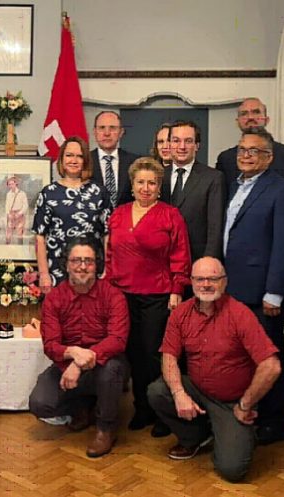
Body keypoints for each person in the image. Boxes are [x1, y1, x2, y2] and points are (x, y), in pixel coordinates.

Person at [148, 257, 281, 482]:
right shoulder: (181, 313)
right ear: (191, 282)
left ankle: (231, 432)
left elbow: (272, 366)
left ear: (224, 282)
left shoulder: (240, 314)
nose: (206, 284)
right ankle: (195, 437)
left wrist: (245, 404)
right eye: (200, 279)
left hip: (232, 402)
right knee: (157, 391)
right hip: (197, 390)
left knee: (232, 470)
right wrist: (180, 394)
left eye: (213, 279)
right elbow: (169, 356)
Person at [105, 157, 191, 437]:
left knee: (155, 354)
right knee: (132, 354)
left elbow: (181, 256)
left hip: (158, 295)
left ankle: (162, 412)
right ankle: (142, 408)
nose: (146, 187)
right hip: (122, 295)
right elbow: (110, 255)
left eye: (151, 183)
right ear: (132, 186)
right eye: (140, 182)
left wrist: (177, 290)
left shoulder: (170, 215)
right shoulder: (118, 215)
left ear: (159, 186)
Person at [223, 129, 284, 445]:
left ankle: (276, 421)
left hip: (261, 293)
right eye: (242, 149)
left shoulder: (282, 190)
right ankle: (251, 410)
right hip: (232, 288)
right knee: (244, 357)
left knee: (269, 356)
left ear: (269, 156)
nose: (246, 155)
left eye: (254, 151)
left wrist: (275, 292)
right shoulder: (233, 186)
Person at [28, 238, 129, 457]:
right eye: (76, 260)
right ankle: (81, 409)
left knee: (111, 371)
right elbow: (51, 345)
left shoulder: (113, 296)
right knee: (40, 403)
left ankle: (106, 429)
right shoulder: (54, 298)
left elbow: (118, 339)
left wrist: (84, 359)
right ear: (66, 265)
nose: (82, 266)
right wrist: (73, 354)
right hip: (66, 364)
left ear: (97, 265)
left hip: (105, 365)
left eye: (88, 261)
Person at [33, 136, 111, 292]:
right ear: (61, 159)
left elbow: (108, 234)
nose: (74, 160)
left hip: (91, 271)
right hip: (57, 271)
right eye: (69, 155)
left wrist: (107, 269)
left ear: (85, 161)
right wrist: (43, 274)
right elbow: (40, 237)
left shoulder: (99, 192)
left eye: (79, 156)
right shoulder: (49, 193)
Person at [160, 120, 226, 262]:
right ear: (169, 144)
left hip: (196, 262)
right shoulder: (157, 176)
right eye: (176, 141)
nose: (182, 147)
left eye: (188, 141)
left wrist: (209, 261)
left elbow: (215, 228)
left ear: (197, 146)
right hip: (161, 262)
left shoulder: (213, 178)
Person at [215, 98, 284, 192]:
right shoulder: (225, 158)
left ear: (266, 120)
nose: (250, 117)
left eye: (256, 112)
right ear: (238, 122)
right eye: (244, 114)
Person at [90, 111, 140, 208]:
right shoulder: (84, 161)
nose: (107, 133)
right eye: (102, 128)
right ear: (94, 132)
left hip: (127, 221)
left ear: (121, 132)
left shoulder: (135, 162)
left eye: (112, 128)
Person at [4, 175, 29, 244]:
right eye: (9, 184)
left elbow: (25, 205)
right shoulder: (8, 194)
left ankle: (20, 249)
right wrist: (8, 214)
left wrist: (20, 213)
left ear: (16, 184)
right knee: (8, 233)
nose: (10, 186)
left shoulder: (22, 194)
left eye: (12, 184)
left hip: (20, 215)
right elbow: (7, 205)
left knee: (19, 233)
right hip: (11, 214)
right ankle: (7, 249)